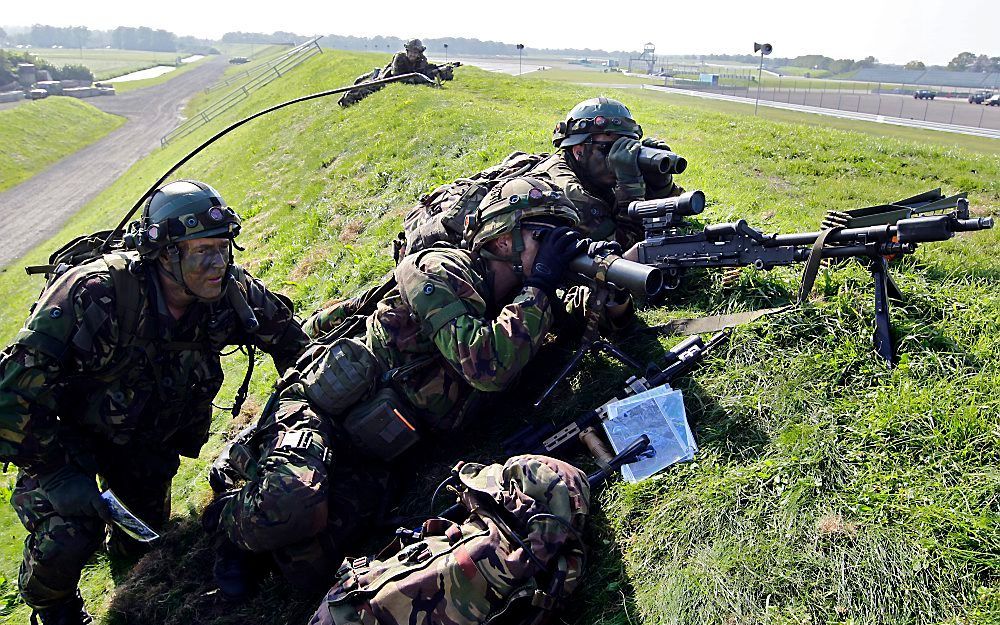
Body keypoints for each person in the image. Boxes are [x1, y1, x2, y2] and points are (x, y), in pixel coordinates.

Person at [205, 177, 628, 597]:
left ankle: (263, 499)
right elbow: (487, 366)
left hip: (378, 452)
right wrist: (539, 285)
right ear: (502, 242)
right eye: (546, 235)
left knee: (307, 570)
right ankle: (230, 512)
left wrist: (609, 295)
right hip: (318, 413)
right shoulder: (438, 271)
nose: (559, 247)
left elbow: (571, 317)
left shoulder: (522, 297)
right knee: (291, 503)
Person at [0, 180, 310, 624]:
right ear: (166, 254)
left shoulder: (229, 292)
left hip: (144, 443)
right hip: (63, 442)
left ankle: (126, 595)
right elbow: (9, 393)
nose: (217, 264)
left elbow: (294, 347)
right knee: (71, 532)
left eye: (223, 248)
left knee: (143, 544)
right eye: (202, 251)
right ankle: (55, 610)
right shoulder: (94, 293)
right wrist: (55, 473)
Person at [531, 96, 686, 251]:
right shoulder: (568, 191)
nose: (618, 157)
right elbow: (623, 248)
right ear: (578, 151)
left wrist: (660, 185)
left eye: (625, 147)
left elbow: (675, 220)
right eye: (608, 148)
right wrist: (630, 187)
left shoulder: (592, 173)